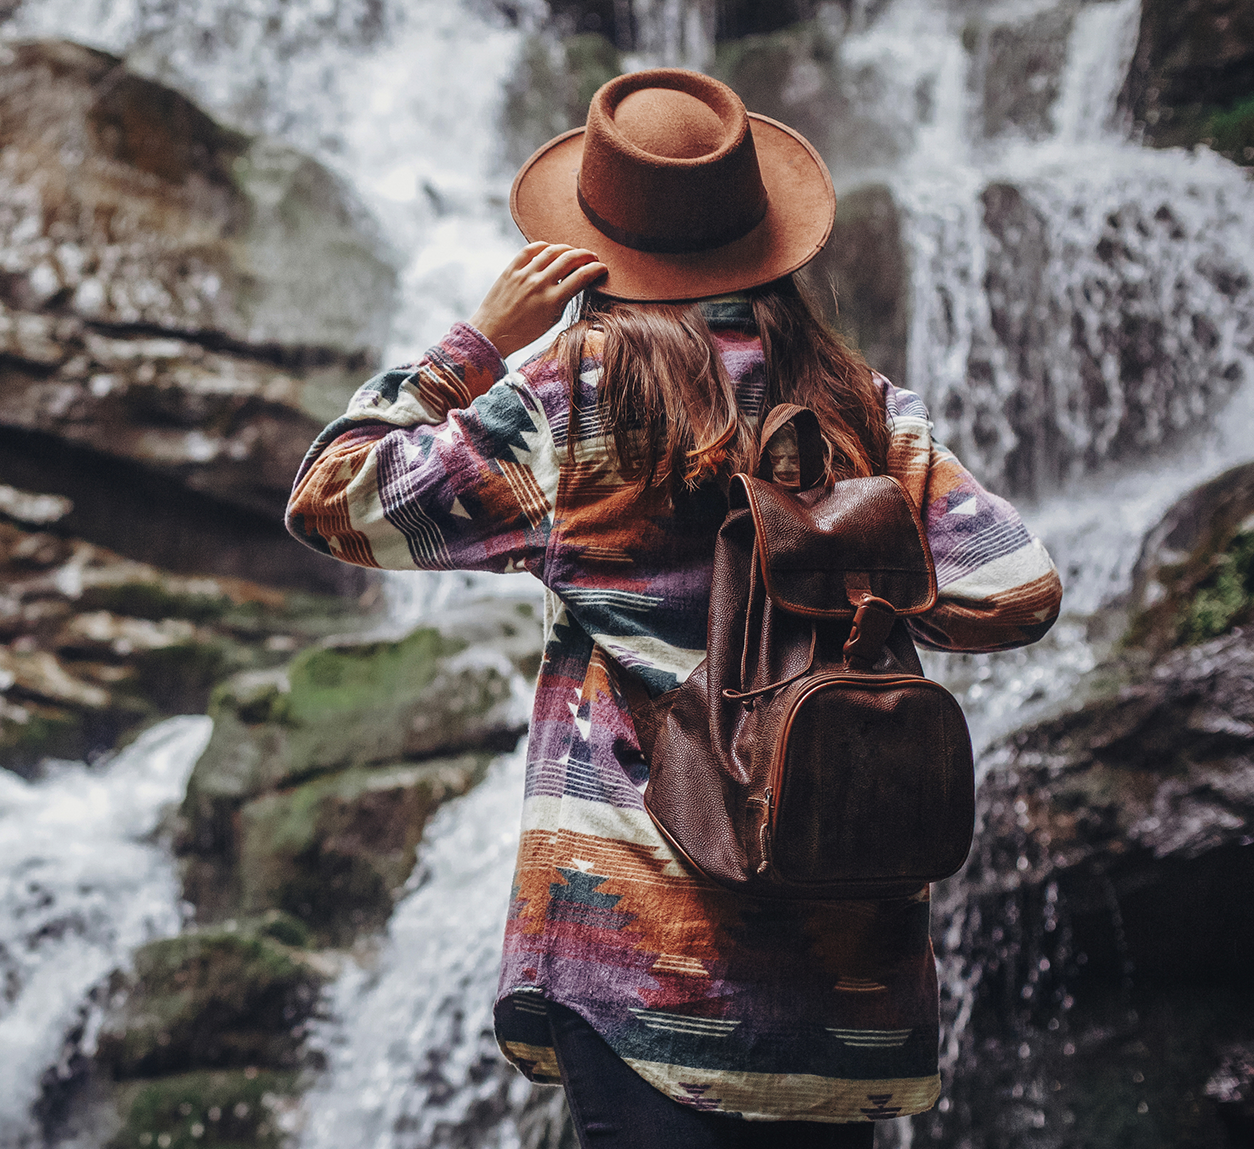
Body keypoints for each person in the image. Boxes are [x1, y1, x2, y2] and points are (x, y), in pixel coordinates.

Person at [285, 69, 1062, 1147]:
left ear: (595, 246)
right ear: (762, 231)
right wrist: (847, 558)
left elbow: (333, 501)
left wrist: (469, 349)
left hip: (641, 979)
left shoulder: (570, 399)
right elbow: (1013, 589)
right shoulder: (861, 407)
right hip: (843, 1007)